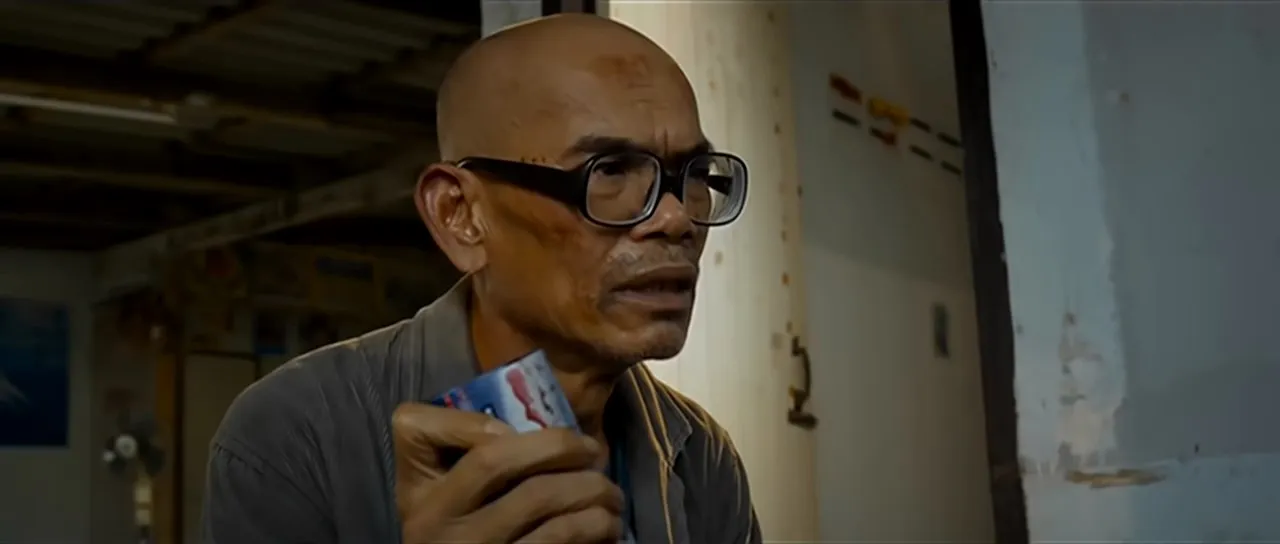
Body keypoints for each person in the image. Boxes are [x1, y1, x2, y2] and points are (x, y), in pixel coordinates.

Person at [202, 12, 758, 544]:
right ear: (460, 215)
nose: (676, 219)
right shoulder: (299, 434)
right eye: (609, 171)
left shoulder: (701, 458)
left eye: (695, 175)